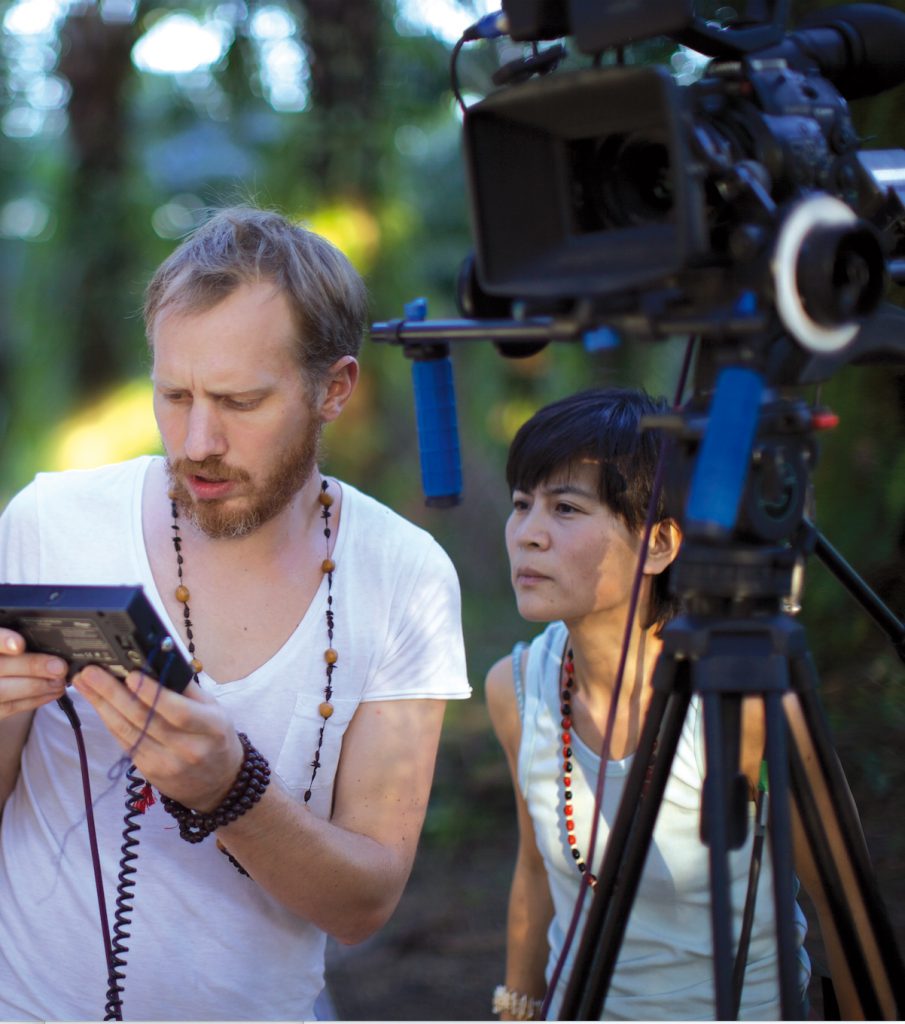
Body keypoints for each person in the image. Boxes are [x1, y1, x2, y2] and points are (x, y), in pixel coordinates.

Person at [0, 206, 470, 1021]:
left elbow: (361, 906)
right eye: (173, 395)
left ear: (336, 389)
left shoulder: (404, 575)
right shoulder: (49, 523)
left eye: (240, 401)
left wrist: (231, 790)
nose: (198, 440)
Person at [484, 386, 862, 1020]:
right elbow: (533, 871)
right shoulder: (517, 687)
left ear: (660, 543)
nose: (528, 535)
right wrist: (516, 1008)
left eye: (566, 508)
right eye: (522, 505)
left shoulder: (739, 698)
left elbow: (843, 900)